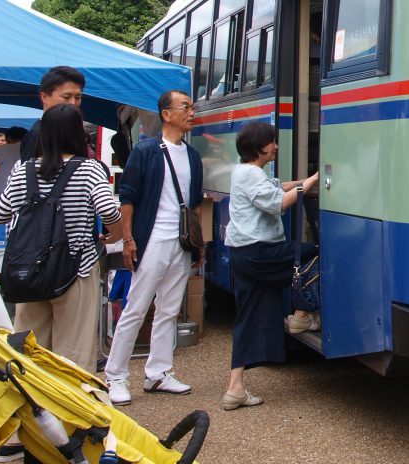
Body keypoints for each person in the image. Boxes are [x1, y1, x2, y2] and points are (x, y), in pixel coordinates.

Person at [0, 105, 122, 373]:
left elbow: (0, 213)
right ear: (77, 133)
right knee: (73, 359)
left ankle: (35, 410)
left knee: (28, 355)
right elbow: (108, 209)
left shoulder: (24, 168)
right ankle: (71, 412)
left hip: (28, 271)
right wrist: (117, 233)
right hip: (75, 271)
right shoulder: (88, 169)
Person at [104, 90, 203, 407]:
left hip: (181, 242)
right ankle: (116, 375)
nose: (191, 112)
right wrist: (129, 240)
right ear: (166, 114)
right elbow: (128, 200)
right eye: (185, 107)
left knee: (170, 309)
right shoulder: (146, 151)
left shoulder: (193, 156)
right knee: (136, 307)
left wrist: (199, 244)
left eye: (192, 107)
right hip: (152, 240)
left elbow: (195, 204)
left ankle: (158, 372)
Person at [222, 121, 319, 411]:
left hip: (242, 253)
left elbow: (279, 188)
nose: (276, 146)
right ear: (256, 148)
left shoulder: (245, 172)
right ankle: (302, 316)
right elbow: (278, 203)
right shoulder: (252, 174)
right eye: (271, 142)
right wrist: (314, 181)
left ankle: (235, 388)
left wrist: (303, 181)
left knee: (246, 316)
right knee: (314, 255)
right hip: (260, 251)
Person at [19, 66, 86, 161]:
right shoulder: (37, 135)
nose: (73, 103)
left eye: (78, 97)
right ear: (44, 96)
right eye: (66, 97)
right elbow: (28, 174)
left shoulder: (72, 131)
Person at [0, 127, 27, 278]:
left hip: (1, 197)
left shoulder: (3, 150)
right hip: (22, 200)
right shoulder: (29, 151)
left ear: (9, 138)